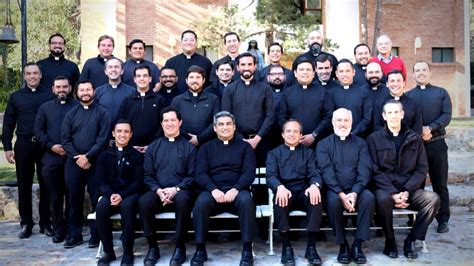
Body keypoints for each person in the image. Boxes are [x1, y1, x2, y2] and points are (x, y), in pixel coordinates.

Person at [367, 100, 440, 259]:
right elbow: (374, 170)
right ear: (384, 116)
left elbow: (422, 168)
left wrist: (406, 191)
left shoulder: (415, 138)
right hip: (385, 190)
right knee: (382, 199)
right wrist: (393, 193)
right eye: (390, 113)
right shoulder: (373, 139)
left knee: (432, 199)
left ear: (402, 114)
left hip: (409, 189)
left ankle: (411, 239)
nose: (393, 116)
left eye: (396, 112)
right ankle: (390, 240)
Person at [192, 111, 257, 266]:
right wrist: (213, 190)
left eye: (229, 124)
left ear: (234, 127)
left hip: (237, 191)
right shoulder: (205, 148)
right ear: (215, 128)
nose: (225, 127)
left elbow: (249, 173)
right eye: (221, 124)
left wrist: (236, 189)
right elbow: (200, 174)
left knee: (247, 201)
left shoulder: (245, 147)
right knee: (200, 203)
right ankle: (200, 249)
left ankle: (247, 249)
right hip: (213, 192)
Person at [2, 63, 54, 239]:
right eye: (28, 74)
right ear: (24, 76)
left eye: (35, 73)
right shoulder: (16, 97)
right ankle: (26, 223)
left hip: (44, 145)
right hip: (23, 144)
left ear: (40, 75)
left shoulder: (49, 95)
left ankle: (46, 223)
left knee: (46, 184)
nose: (32, 76)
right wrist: (8, 147)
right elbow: (8, 123)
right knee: (23, 184)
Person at [138, 107, 196, 266]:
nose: (169, 124)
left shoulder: (189, 147)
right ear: (161, 124)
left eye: (173, 120)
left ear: (180, 122)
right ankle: (153, 247)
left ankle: (179, 247)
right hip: (158, 190)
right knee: (144, 202)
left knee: (184, 201)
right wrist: (158, 191)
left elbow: (192, 176)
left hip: (181, 190)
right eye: (166, 121)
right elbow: (148, 175)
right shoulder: (153, 148)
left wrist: (175, 189)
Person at [316, 108, 374, 264]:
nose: (342, 124)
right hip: (334, 190)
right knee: (333, 201)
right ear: (333, 122)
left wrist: (354, 193)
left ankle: (358, 244)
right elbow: (326, 171)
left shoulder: (361, 143)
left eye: (346, 120)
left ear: (352, 122)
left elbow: (365, 170)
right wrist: (341, 194)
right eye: (339, 120)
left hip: (357, 189)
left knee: (368, 198)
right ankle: (343, 245)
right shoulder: (323, 144)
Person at [266, 119, 323, 265]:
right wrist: (279, 187)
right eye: (288, 131)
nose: (292, 134)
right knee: (280, 200)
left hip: (304, 191)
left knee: (315, 199)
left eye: (295, 131)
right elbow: (271, 175)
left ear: (301, 135)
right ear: (283, 134)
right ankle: (286, 247)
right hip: (285, 191)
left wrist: (314, 185)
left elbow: (315, 173)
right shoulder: (274, 153)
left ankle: (311, 247)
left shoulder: (309, 153)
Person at [61, 80, 110, 248]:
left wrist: (88, 157)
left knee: (97, 200)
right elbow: (65, 140)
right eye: (81, 90)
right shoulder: (71, 114)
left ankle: (96, 235)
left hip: (96, 163)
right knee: (74, 199)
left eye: (88, 89)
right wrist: (78, 158)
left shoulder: (103, 113)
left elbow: (103, 139)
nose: (85, 93)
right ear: (77, 93)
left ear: (94, 91)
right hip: (74, 164)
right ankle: (74, 234)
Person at [406, 61, 452, 233]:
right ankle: (415, 219)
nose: (421, 73)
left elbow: (446, 115)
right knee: (416, 184)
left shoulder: (441, 93)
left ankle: (443, 219)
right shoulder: (408, 96)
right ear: (413, 74)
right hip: (416, 147)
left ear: (430, 72)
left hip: (436, 144)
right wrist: (419, 131)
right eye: (417, 70)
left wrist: (430, 128)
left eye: (424, 70)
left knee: (440, 184)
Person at [34, 76, 79, 243]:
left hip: (72, 158)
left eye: (65, 87)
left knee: (72, 195)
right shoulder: (45, 108)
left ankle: (72, 229)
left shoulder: (77, 106)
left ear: (70, 88)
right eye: (58, 87)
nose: (62, 90)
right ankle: (59, 229)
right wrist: (51, 146)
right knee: (55, 196)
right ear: (53, 89)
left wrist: (69, 148)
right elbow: (38, 130)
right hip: (51, 157)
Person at [95, 120, 144, 265]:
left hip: (130, 194)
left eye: (126, 132)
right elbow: (100, 181)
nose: (122, 134)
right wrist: (111, 195)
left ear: (131, 135)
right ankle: (109, 252)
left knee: (127, 207)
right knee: (101, 208)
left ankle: (128, 252)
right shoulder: (104, 156)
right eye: (119, 131)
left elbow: (138, 182)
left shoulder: (137, 156)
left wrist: (122, 195)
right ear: (113, 134)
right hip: (110, 193)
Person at [222, 52, 275, 166]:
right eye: (243, 64)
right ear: (237, 67)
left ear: (255, 66)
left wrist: (257, 138)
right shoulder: (230, 90)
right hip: (236, 141)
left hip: (262, 140)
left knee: (262, 177)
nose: (246, 68)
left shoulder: (265, 89)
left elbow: (270, 116)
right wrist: (240, 138)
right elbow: (226, 116)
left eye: (250, 64)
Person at [278, 58, 333, 148]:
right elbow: (281, 117)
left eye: (308, 70)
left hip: (318, 141)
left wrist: (314, 134)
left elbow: (328, 116)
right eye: (301, 69)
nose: (305, 72)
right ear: (295, 73)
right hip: (292, 142)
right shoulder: (287, 93)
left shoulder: (322, 91)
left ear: (313, 73)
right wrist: (293, 136)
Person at [117, 65, 165, 153]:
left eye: (145, 76)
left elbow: (163, 125)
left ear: (150, 79)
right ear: (134, 79)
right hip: (130, 149)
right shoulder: (127, 101)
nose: (142, 79)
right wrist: (129, 145)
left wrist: (152, 145)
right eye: (138, 76)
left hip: (154, 148)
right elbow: (121, 123)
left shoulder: (159, 100)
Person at [171, 65, 220, 146]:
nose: (194, 80)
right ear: (186, 80)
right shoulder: (177, 100)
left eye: (198, 77)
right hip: (182, 144)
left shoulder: (213, 99)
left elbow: (216, 122)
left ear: (203, 80)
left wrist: (199, 138)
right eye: (191, 77)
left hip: (207, 144)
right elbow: (173, 122)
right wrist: (190, 138)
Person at [328, 59, 372, 137]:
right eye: (341, 71)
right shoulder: (331, 93)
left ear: (353, 72)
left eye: (347, 71)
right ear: (336, 74)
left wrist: (353, 133)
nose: (344, 74)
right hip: (336, 138)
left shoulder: (363, 92)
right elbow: (328, 117)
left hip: (358, 137)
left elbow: (367, 118)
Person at [373, 70, 422, 135]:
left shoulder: (414, 104)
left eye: (398, 81)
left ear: (404, 83)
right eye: (392, 81)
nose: (395, 84)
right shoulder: (379, 104)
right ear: (387, 84)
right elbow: (377, 127)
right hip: (385, 143)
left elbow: (417, 129)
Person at [95, 57, 135, 129]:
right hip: (103, 132)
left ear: (122, 71)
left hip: (124, 134)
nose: (113, 69)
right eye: (110, 67)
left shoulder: (132, 91)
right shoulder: (98, 91)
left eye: (116, 67)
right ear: (105, 71)